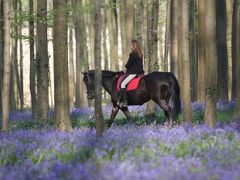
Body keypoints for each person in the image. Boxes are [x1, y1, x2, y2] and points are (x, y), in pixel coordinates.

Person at [118, 39, 144, 108]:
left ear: (133, 46)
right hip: (140, 72)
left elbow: (128, 65)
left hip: (133, 73)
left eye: (131, 45)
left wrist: (125, 67)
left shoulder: (132, 54)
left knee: (122, 84)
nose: (130, 47)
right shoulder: (140, 53)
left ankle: (124, 101)